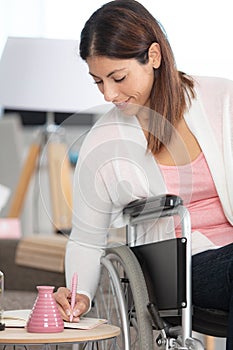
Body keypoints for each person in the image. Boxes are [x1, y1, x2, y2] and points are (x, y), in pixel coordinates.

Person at [53, 0, 233, 348]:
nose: (109, 94)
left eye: (118, 78)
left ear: (153, 56)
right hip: (181, 266)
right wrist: (82, 294)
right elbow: (86, 238)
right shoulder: (103, 142)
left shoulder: (223, 99)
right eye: (98, 82)